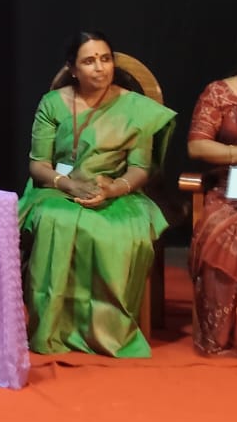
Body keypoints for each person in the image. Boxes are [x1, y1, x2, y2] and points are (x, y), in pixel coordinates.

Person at [20, 30, 176, 357]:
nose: (99, 67)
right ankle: (51, 329)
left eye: (105, 59)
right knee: (55, 221)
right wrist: (68, 184)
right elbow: (39, 165)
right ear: (73, 69)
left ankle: (107, 333)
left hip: (118, 191)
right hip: (57, 188)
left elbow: (139, 169)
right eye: (89, 61)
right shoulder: (53, 103)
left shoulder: (136, 108)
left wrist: (113, 188)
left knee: (117, 232)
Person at [187, 23, 237, 356]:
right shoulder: (219, 93)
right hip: (231, 189)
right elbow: (198, 146)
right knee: (223, 232)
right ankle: (231, 336)